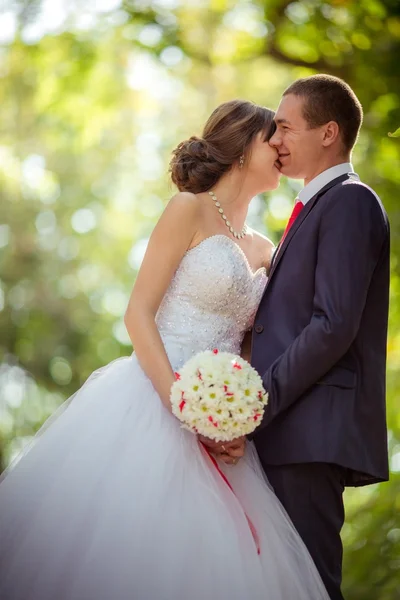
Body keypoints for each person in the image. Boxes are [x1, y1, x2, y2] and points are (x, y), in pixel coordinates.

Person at [0, 100, 329, 600]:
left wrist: (233, 419)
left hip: (222, 425)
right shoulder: (188, 209)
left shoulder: (266, 249)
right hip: (153, 396)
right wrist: (181, 402)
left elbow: (250, 344)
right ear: (243, 149)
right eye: (273, 137)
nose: (283, 147)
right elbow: (138, 314)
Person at [214, 76, 390, 600]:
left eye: (286, 127)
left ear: (329, 132)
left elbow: (333, 324)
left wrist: (257, 406)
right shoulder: (313, 208)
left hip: (309, 433)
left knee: (309, 586)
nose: (276, 139)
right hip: (289, 431)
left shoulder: (350, 202)